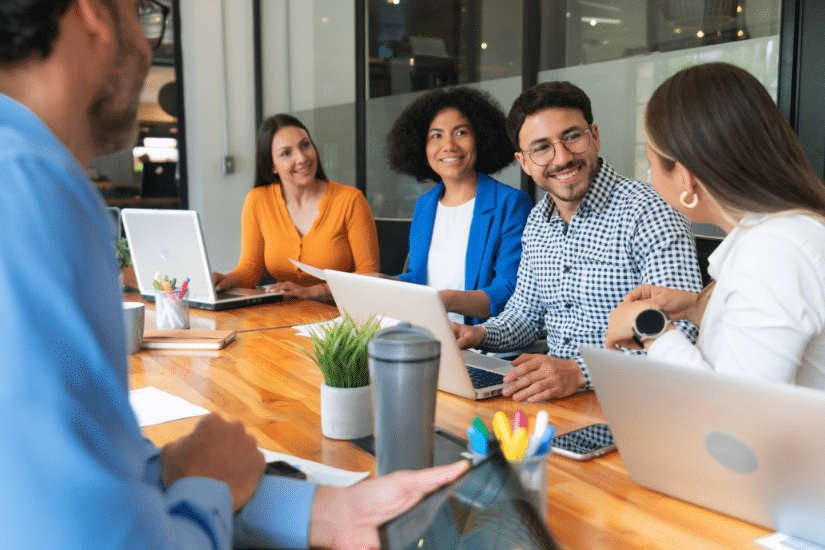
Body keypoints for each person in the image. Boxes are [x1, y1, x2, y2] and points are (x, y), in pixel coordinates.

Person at [0, 1, 467, 548]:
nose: (149, 44)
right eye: (144, 11)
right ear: (93, 12)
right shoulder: (28, 184)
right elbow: (92, 530)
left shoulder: (27, 177)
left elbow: (92, 468)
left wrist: (319, 510)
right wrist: (206, 487)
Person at [453, 81, 703, 401]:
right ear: (524, 162)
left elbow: (681, 333)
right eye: (542, 147)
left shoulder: (650, 212)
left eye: (572, 136)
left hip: (634, 398)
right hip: (552, 393)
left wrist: (579, 371)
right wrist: (478, 333)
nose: (561, 158)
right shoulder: (537, 222)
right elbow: (524, 315)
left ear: (594, 137)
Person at [605, 62, 825, 390]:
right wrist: (697, 307)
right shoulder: (783, 235)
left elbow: (734, 412)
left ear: (684, 178)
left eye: (651, 167)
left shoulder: (772, 252)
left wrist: (649, 328)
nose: (650, 180)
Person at [386, 87, 533, 325]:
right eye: (436, 135)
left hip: (484, 345)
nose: (449, 145)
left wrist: (446, 300)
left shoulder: (511, 203)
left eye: (461, 132)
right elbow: (420, 277)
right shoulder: (425, 205)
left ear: (481, 138)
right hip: (427, 333)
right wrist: (382, 282)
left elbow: (511, 290)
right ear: (421, 147)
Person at [212, 114, 380, 302]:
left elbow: (369, 275)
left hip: (337, 319)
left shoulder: (350, 200)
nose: (301, 158)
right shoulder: (258, 200)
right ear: (272, 166)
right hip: (282, 316)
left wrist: (315, 291)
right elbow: (251, 269)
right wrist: (226, 280)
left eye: (305, 145)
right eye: (286, 153)